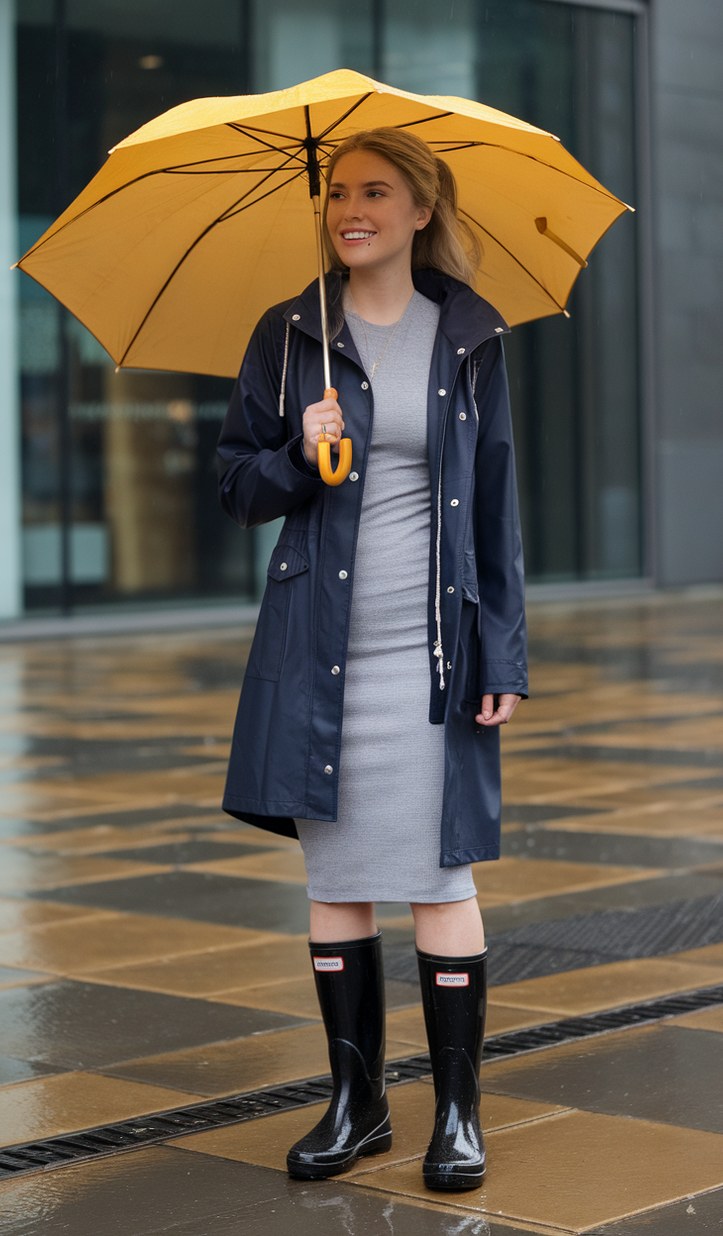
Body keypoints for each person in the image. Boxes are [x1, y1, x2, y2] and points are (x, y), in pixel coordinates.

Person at [217, 127, 527, 1192]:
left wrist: (503, 653)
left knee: (439, 878)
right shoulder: (289, 334)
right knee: (338, 877)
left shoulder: (469, 337)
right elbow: (236, 488)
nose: (353, 209)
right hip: (321, 650)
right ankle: (356, 1106)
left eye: (377, 192)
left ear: (420, 209)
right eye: (340, 193)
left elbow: (495, 506)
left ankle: (457, 1115)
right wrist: (294, 450)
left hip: (431, 644)